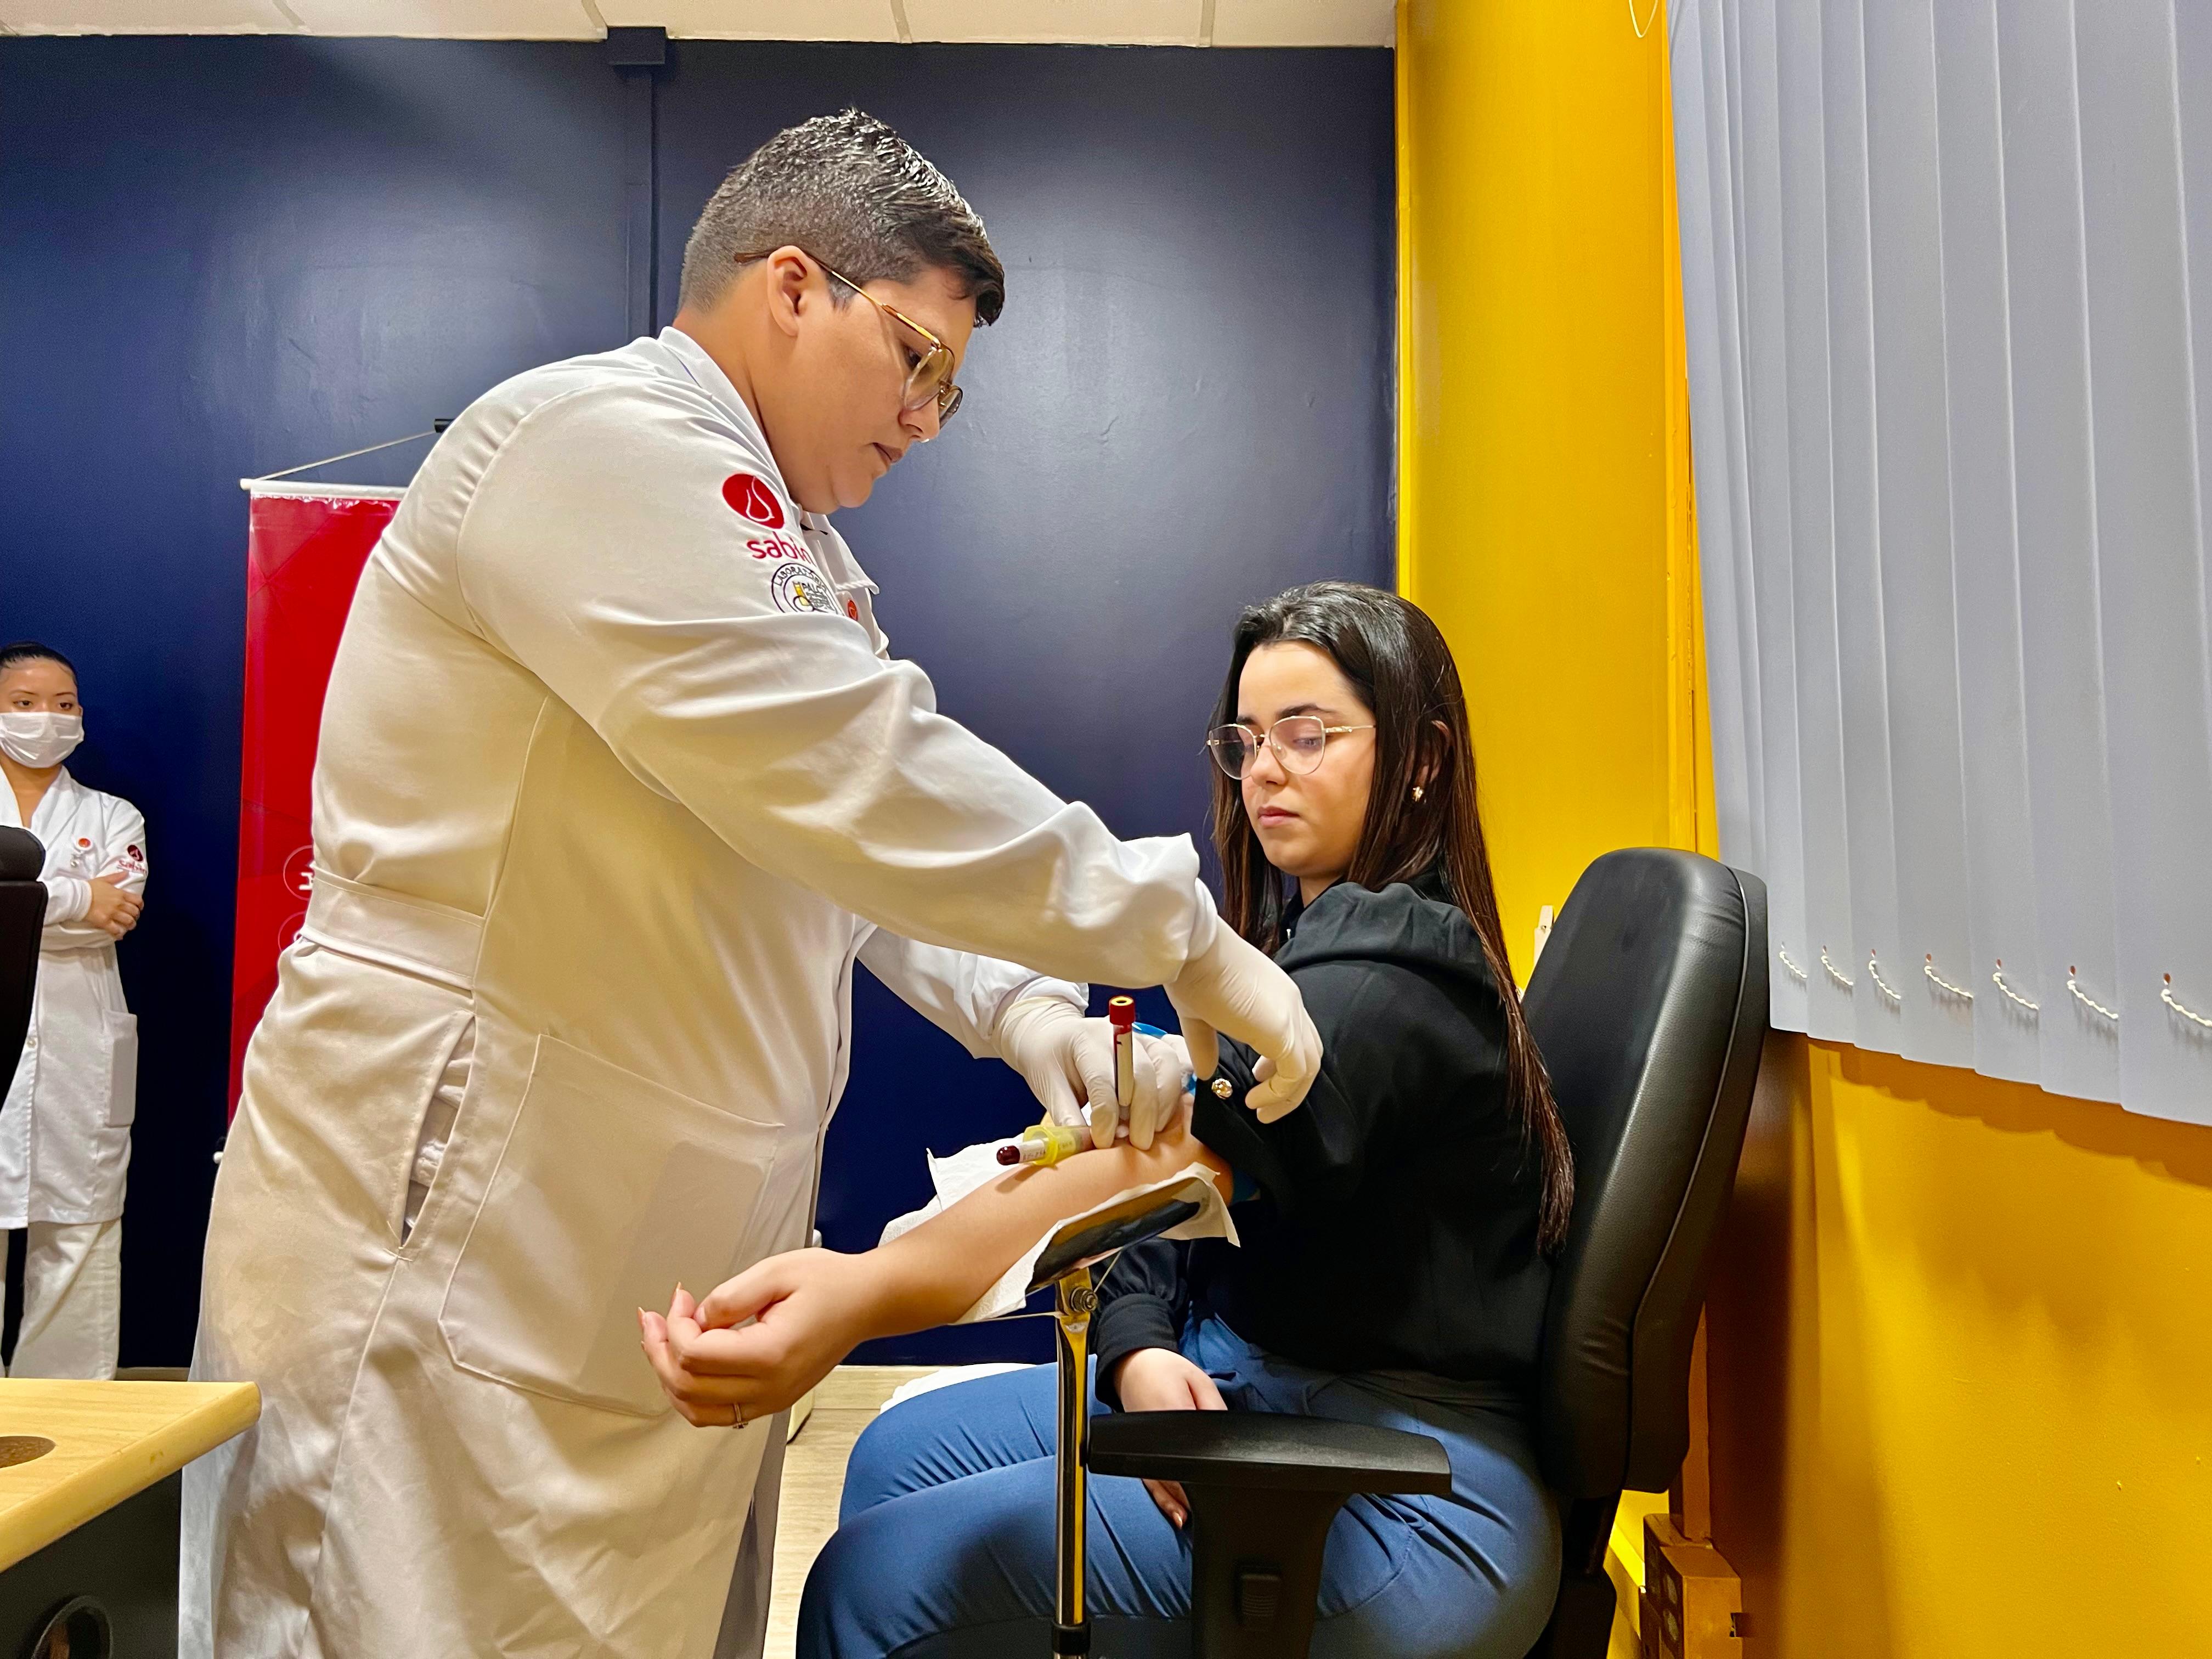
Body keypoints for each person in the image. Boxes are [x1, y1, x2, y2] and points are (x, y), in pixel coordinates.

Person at [183, 110, 1320, 1659]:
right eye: (917, 357)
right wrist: (1170, 924)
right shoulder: (597, 445)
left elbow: (819, 848)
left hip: (624, 1248)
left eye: (954, 389)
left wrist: (1027, 1013)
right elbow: (848, 768)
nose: (928, 418)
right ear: (795, 288)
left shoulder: (802, 552)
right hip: (452, 1222)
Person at [647, 583, 1574, 1659]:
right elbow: (1170, 1223)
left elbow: (1164, 1171)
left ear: (1421, 758)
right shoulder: (1299, 951)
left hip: (1410, 1490)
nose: (1267, 768)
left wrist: (865, 1291)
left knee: (871, 1590)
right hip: (1257, 1378)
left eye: (1308, 735)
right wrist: (1137, 1353)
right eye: (1248, 739)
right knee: (890, 1459)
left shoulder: (1395, 981)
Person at [0, 640, 146, 1380]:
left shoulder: (113, 815)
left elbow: (120, 911)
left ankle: (62, 1437)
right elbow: (91, 906)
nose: (46, 719)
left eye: (64, 705)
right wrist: (78, 897)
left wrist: (23, 903)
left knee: (80, 1237)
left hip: (78, 1045)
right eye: (25, 704)